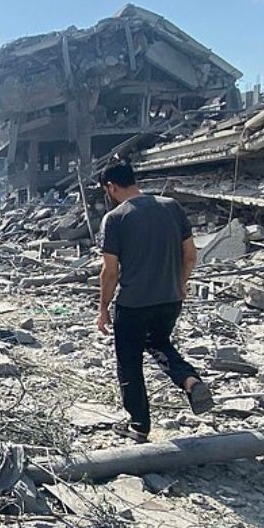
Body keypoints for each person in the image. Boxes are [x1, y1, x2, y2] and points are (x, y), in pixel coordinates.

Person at [97, 162, 213, 443]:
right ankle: (189, 380)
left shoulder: (115, 218)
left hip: (134, 304)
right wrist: (181, 283)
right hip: (170, 298)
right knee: (158, 343)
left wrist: (103, 308)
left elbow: (110, 271)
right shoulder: (171, 206)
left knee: (129, 362)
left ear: (111, 187)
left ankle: (139, 425)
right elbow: (190, 254)